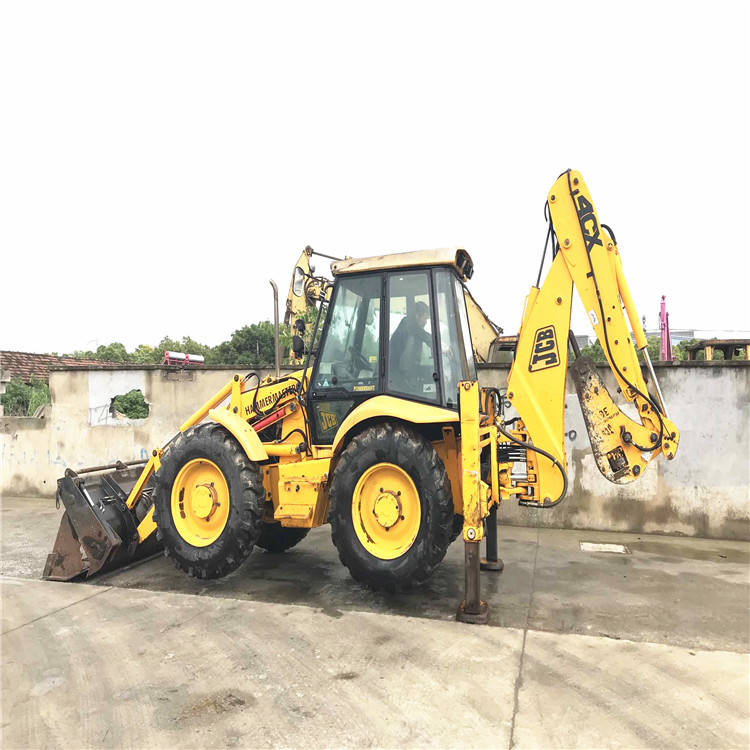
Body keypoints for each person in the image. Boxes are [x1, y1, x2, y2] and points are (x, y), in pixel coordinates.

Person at [389, 300, 433, 392]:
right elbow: (419, 332)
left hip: (401, 374)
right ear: (417, 316)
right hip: (395, 377)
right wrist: (437, 344)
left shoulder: (410, 331)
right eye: (425, 318)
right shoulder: (407, 325)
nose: (426, 322)